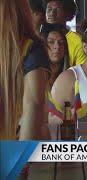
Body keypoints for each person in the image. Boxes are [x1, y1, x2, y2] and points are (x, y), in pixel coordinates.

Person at [0, 0, 50, 140]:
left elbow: (34, 104)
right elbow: (34, 104)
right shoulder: (32, 49)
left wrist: (21, 157)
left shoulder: (30, 49)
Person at [44, 0, 86, 66]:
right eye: (49, 9)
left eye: (57, 10)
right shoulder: (39, 37)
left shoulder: (77, 41)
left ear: (68, 15)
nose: (52, 13)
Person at [40, 23, 69, 88]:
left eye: (61, 42)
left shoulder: (71, 76)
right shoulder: (36, 76)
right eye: (51, 42)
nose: (57, 46)